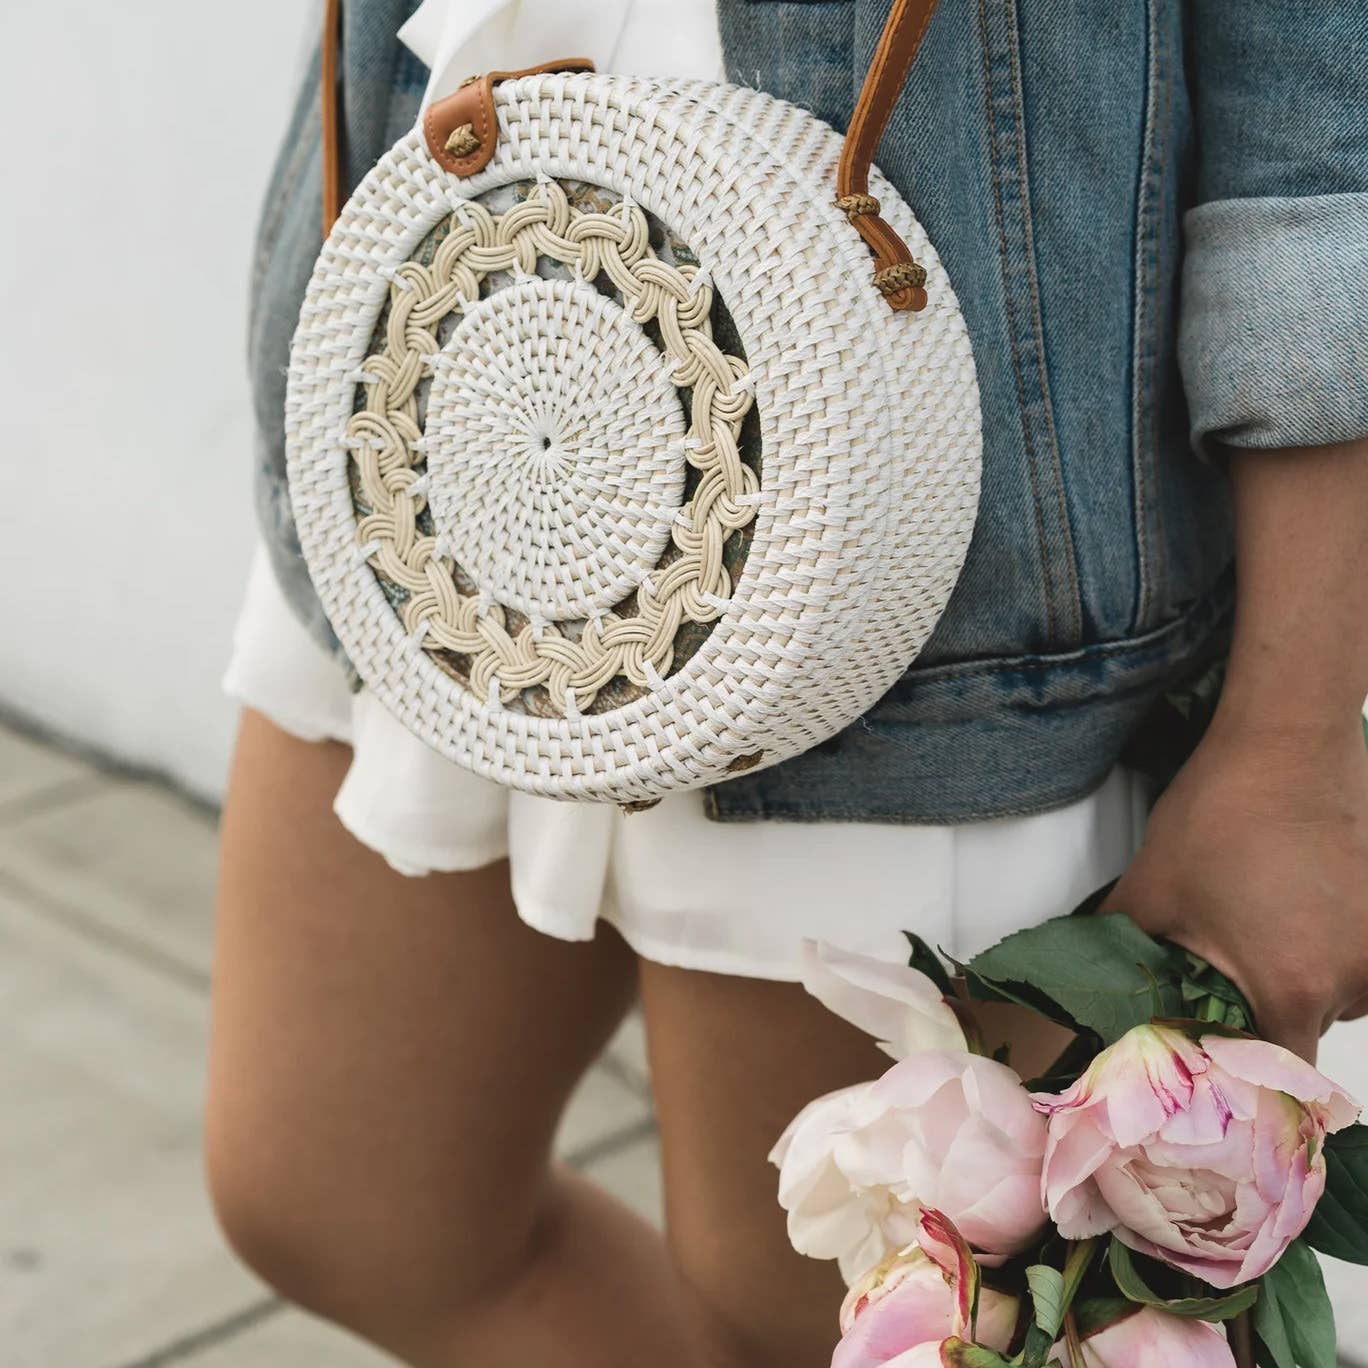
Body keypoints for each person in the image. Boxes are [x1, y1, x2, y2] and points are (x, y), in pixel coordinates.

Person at [204, 1, 1368, 1365]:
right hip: (460, 367)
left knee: (812, 1319)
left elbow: (1318, 116)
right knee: (339, 1203)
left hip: (919, 500)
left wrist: (1294, 739)